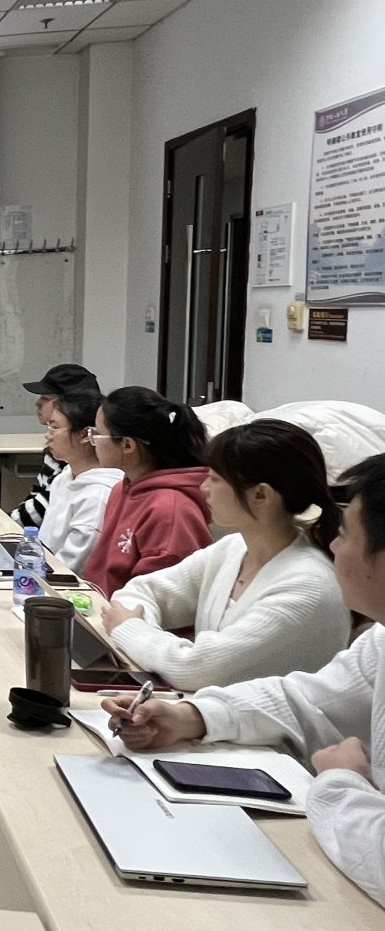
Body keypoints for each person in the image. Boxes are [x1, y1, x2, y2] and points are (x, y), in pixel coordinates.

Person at [103, 453, 385, 908]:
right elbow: (303, 697)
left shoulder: (310, 583)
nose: (333, 545)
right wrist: (190, 716)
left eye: (348, 535)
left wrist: (340, 784)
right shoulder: (380, 641)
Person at [100, 420, 351, 690]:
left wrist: (131, 629)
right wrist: (139, 629)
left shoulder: (308, 586)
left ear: (261, 495)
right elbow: (140, 591)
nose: (203, 488)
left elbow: (194, 669)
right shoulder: (234, 549)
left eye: (215, 479)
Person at [84, 386, 211, 596]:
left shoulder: (170, 510)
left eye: (97, 434)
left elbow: (159, 598)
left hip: (130, 613)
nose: (92, 441)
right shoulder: (122, 489)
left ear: (127, 445)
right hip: (100, 605)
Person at [36, 388, 122, 573]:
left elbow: (71, 567)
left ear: (85, 435)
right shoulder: (65, 476)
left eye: (55, 427)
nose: (48, 435)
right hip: (43, 571)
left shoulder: (99, 494)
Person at [10, 363, 101, 528]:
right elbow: (38, 497)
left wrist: (5, 522)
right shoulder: (58, 454)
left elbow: (42, 510)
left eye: (45, 398)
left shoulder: (80, 458)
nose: (37, 404)